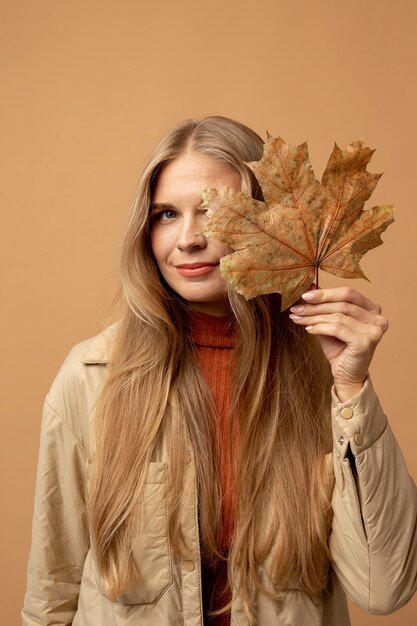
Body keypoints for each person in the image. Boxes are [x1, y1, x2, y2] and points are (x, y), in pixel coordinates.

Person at [22, 116, 417, 626]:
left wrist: (352, 387)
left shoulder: (321, 377)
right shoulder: (90, 377)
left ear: (269, 226)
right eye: (166, 214)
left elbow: (384, 587)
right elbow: (51, 593)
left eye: (213, 211)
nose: (187, 238)